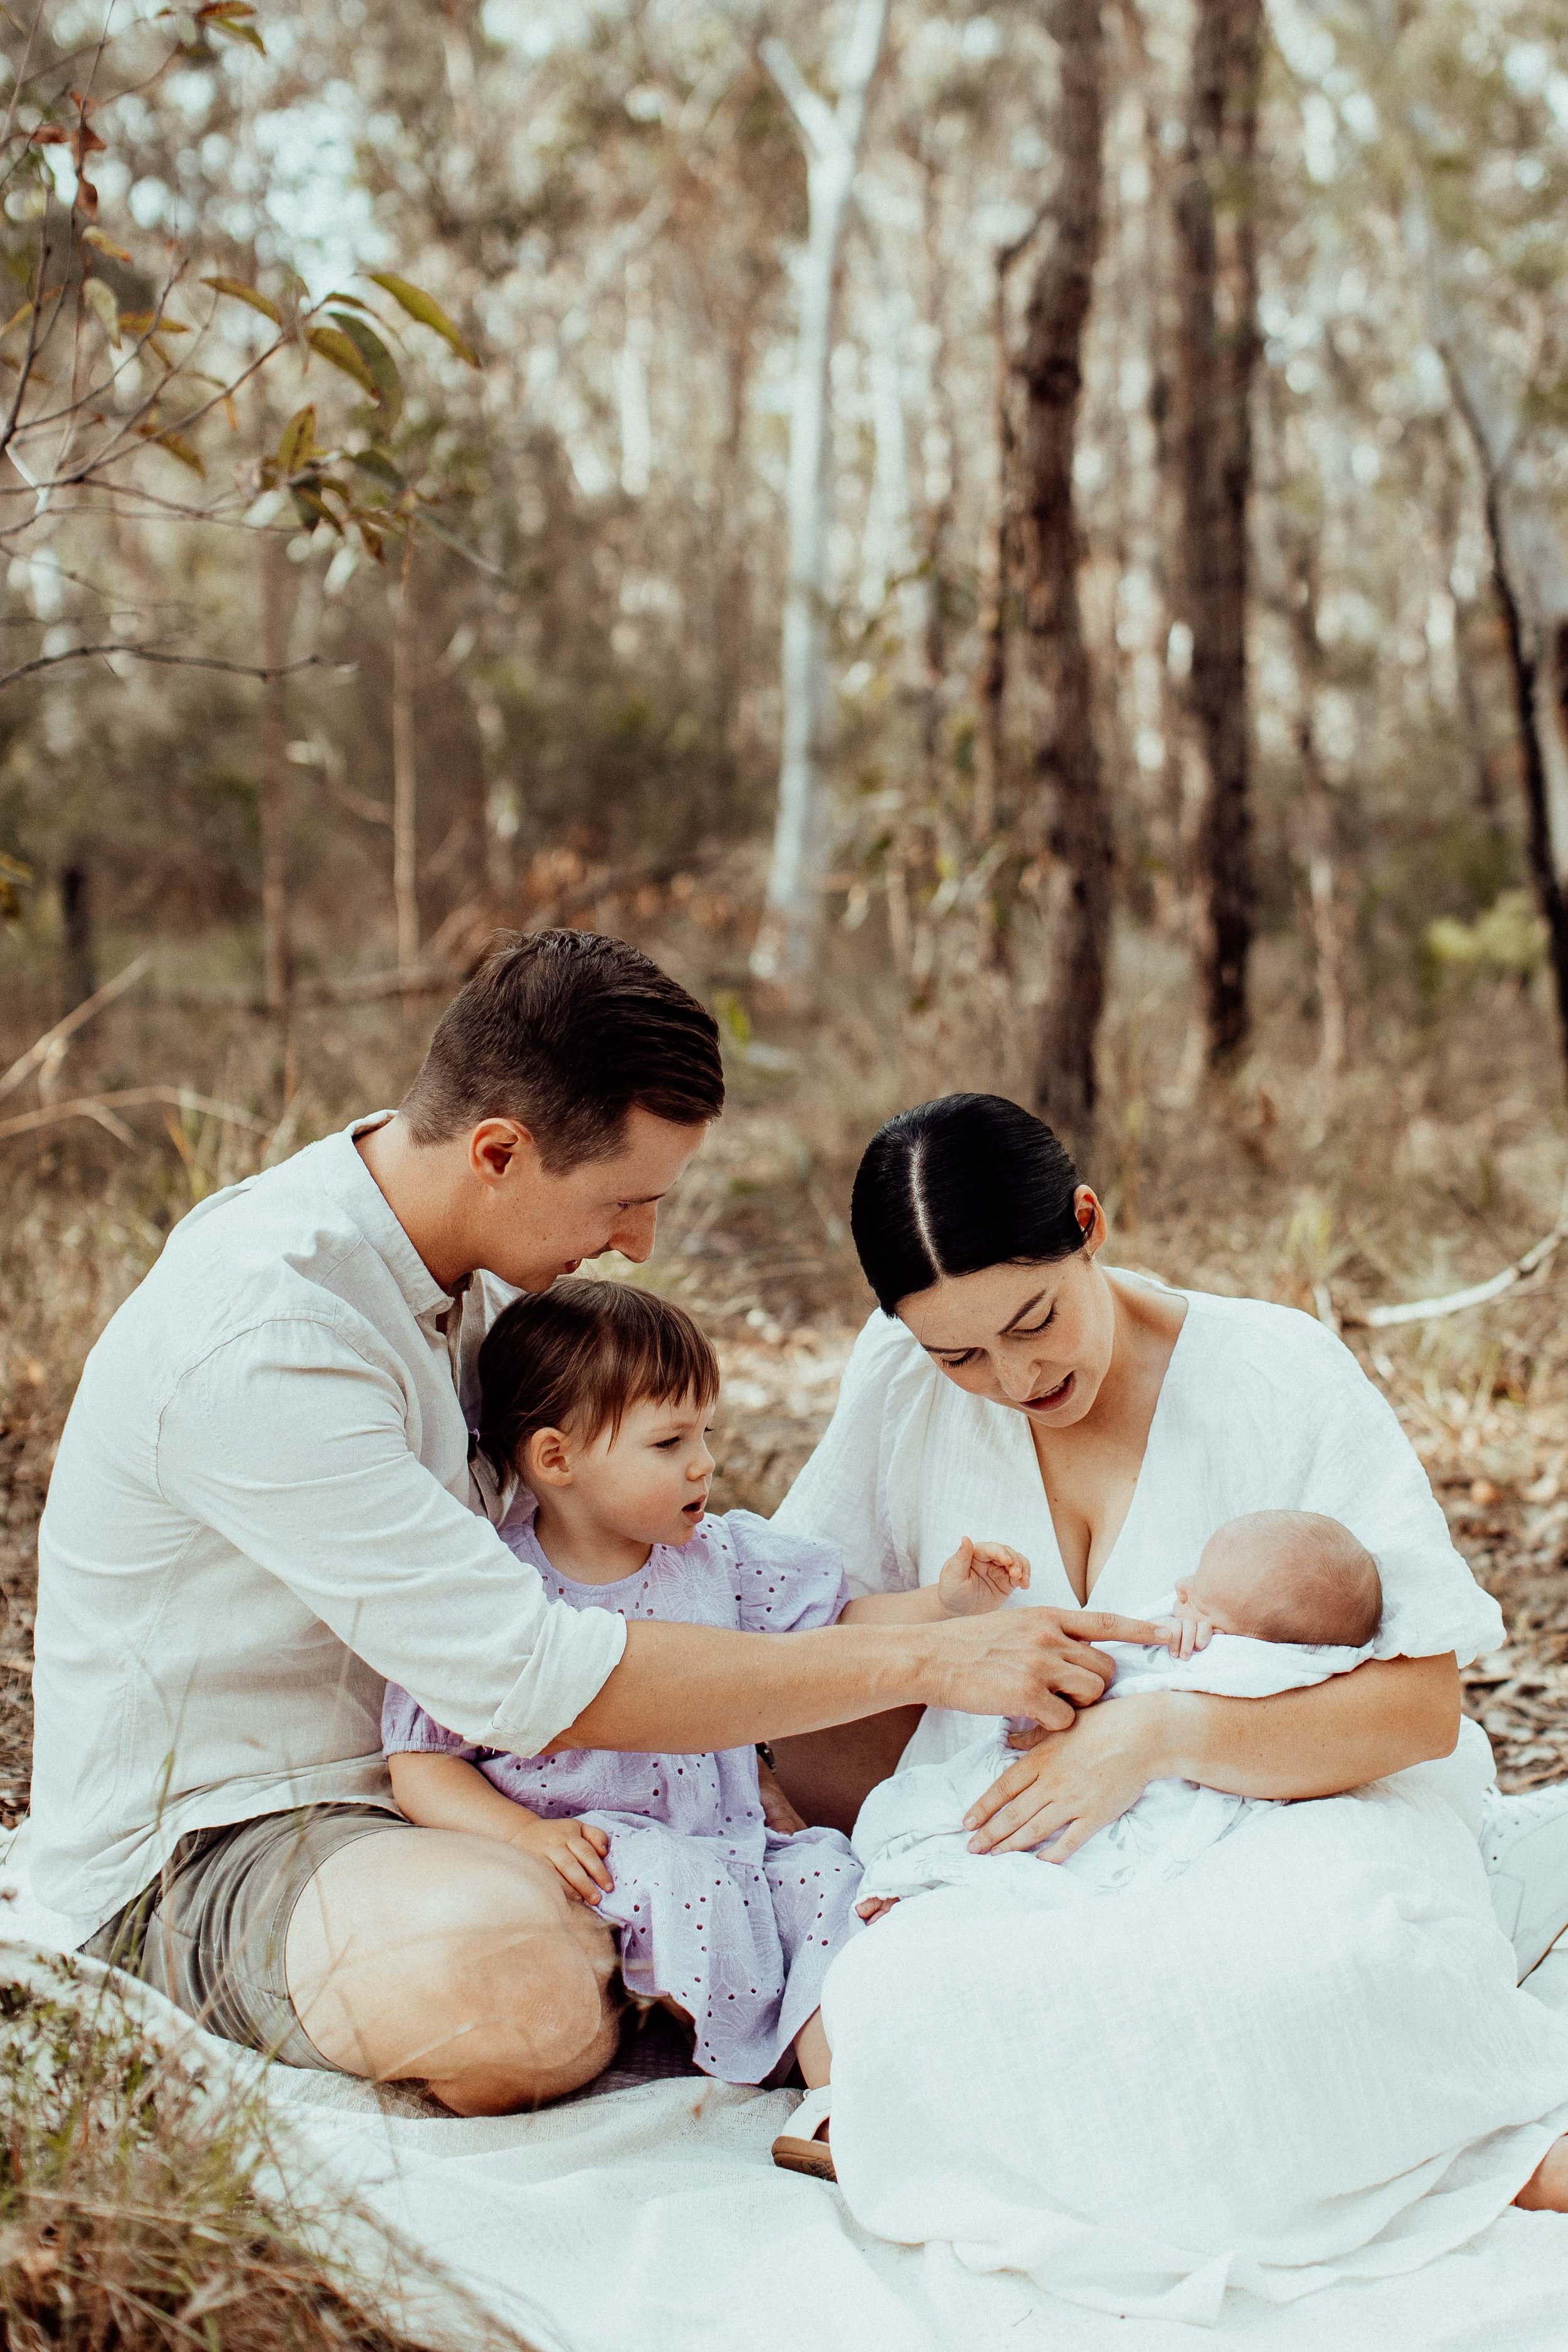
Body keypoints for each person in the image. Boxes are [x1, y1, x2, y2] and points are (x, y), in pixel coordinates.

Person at [26, 940, 1158, 2116]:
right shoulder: (267, 1337)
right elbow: (535, 1672)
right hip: (228, 1838)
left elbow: (621, 1567)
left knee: (838, 1793)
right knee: (518, 1981)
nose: (641, 1246)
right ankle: (654, 1980)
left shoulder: (487, 1274)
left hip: (515, 1794)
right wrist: (932, 1656)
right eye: (625, 1202)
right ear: (499, 1152)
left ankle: (758, 1979)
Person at [767, 1094, 1568, 2302]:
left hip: (1294, 1810)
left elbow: (1419, 1713)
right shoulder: (906, 1385)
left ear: (1089, 1225)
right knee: (896, 1995)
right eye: (959, 1354)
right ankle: (1293, 2143)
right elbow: (791, 1627)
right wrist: (947, 1657)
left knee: (1308, 1979)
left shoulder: (1274, 1369)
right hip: (1034, 1846)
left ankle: (1444, 2152)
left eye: (1033, 1322)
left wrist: (1158, 1734)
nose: (1013, 1376)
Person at [381, 1275, 1030, 2090]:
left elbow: (829, 1634)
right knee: (687, 1890)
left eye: (706, 1433)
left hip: (728, 1838)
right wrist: (520, 1836)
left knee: (827, 1883)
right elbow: (422, 1760)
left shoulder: (717, 1558)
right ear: (556, 1458)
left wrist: (943, 1603)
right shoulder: (498, 1592)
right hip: (595, 1853)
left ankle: (848, 2096)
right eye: (668, 1443)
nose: (705, 1463)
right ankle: (734, 2042)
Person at [847, 1508, 1384, 1916]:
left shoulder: (1241, 1662)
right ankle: (924, 1883)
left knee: (1038, 1857)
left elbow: (1158, 1679)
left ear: (1250, 1640)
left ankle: (926, 1887)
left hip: (1147, 1812)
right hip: (1087, 1777)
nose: (1181, 1589)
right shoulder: (1256, 1641)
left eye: (1202, 1598)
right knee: (999, 1829)